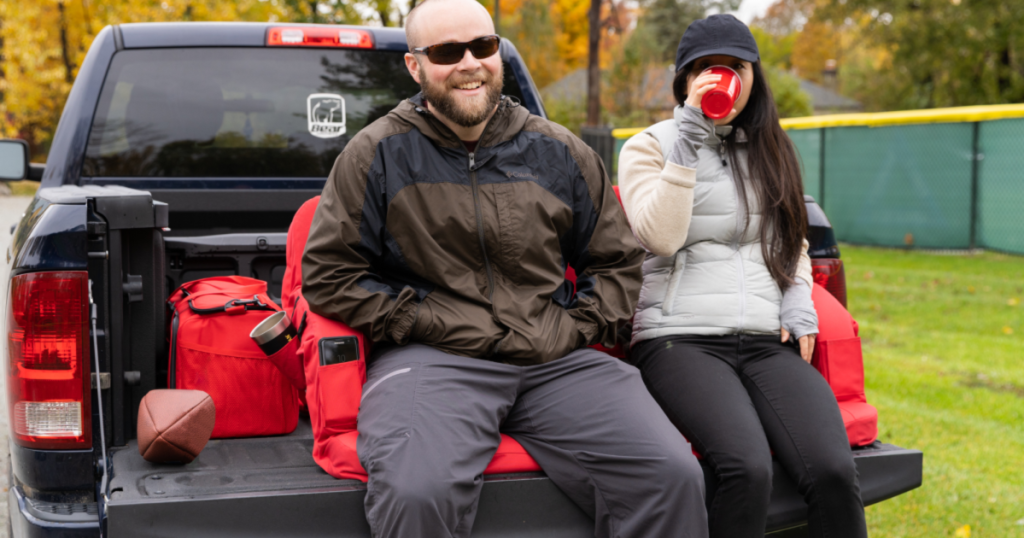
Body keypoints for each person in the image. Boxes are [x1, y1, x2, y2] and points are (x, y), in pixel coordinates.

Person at [301, 0, 708, 536]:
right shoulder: (375, 154)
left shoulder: (561, 151)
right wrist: (421, 321)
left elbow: (616, 265)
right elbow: (329, 273)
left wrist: (572, 327)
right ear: (415, 66)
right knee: (417, 494)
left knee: (671, 475)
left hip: (554, 360)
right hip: (433, 360)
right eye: (448, 51)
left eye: (484, 46)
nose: (470, 62)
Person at [617, 14, 868, 538]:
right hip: (677, 339)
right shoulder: (650, 146)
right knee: (746, 468)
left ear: (753, 77)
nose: (721, 78)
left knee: (834, 469)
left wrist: (798, 296)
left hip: (763, 338)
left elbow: (792, 241)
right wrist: (687, 142)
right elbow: (657, 237)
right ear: (684, 79)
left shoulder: (774, 149)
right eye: (706, 68)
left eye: (734, 67)